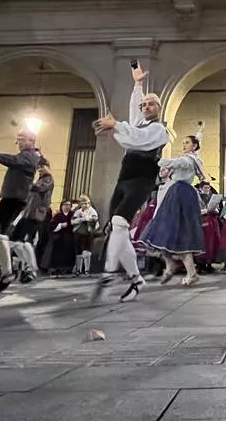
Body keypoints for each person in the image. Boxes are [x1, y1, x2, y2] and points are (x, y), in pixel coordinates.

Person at [91, 60, 169, 303]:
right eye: (144, 104)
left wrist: (116, 125)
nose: (145, 106)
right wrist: (137, 85)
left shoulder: (159, 130)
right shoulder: (139, 120)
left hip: (142, 180)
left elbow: (136, 138)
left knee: (118, 221)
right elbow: (134, 117)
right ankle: (136, 278)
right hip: (124, 178)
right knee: (117, 228)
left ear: (159, 107)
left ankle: (109, 273)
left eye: (150, 103)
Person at [0, 130, 40, 293]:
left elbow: (14, 161)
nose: (19, 142)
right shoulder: (25, 155)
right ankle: (3, 273)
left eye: (22, 139)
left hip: (15, 199)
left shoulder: (30, 156)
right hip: (11, 198)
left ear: (32, 141)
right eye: (18, 139)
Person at [139, 128, 206, 285]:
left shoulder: (188, 160)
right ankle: (170, 267)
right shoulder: (190, 159)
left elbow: (175, 163)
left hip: (180, 194)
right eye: (183, 143)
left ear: (194, 146)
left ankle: (190, 272)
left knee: (177, 232)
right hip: (177, 193)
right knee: (165, 231)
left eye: (187, 143)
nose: (183, 145)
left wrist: (160, 160)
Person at [71, 195, 99, 275]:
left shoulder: (92, 211)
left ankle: (87, 269)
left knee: (87, 251)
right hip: (78, 233)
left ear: (89, 203)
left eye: (86, 203)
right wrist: (80, 219)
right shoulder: (78, 212)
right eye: (83, 203)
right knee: (78, 252)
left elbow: (95, 221)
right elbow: (72, 221)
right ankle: (78, 269)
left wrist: (88, 219)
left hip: (88, 233)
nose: (85, 205)